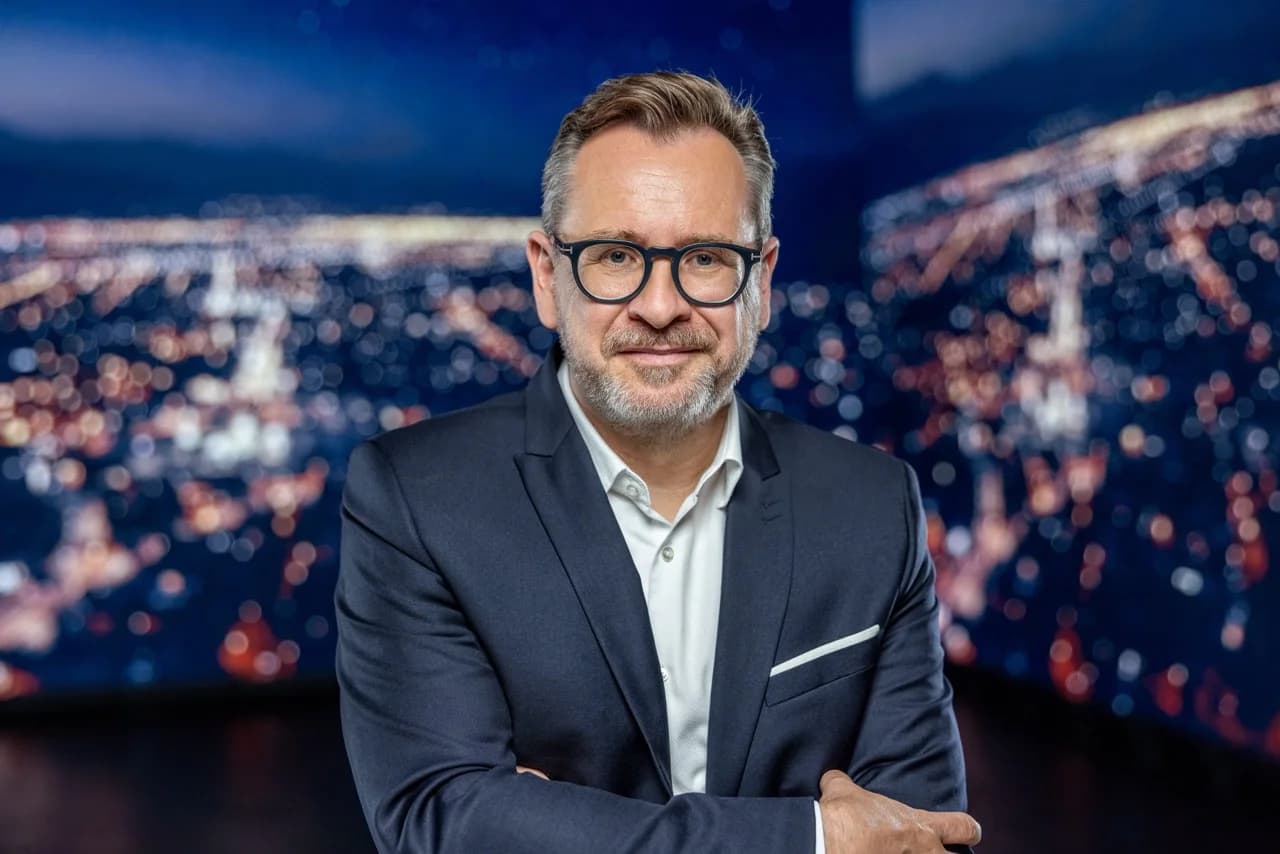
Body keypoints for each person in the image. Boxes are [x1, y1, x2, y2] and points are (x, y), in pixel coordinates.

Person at [336, 71, 981, 853]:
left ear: (763, 282)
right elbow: (442, 820)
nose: (660, 305)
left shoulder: (872, 506)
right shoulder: (416, 499)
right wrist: (813, 836)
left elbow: (922, 839)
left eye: (705, 259)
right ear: (548, 276)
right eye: (615, 256)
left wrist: (555, 822)